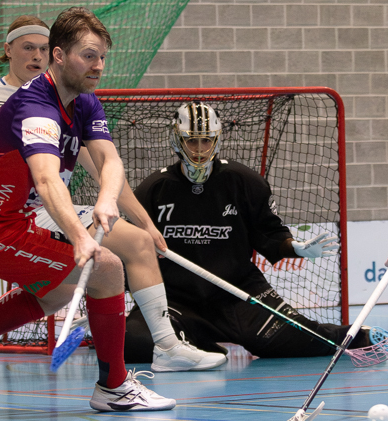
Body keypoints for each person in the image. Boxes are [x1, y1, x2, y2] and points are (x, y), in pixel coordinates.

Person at [0, 17, 223, 380]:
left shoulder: (75, 100)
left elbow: (105, 166)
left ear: (54, 54)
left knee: (128, 248)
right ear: (8, 51)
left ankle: (166, 347)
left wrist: (142, 221)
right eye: (28, 47)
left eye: (42, 48)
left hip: (39, 210)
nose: (37, 55)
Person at [124, 101, 372, 361]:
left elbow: (269, 233)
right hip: (175, 301)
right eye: (191, 141)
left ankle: (359, 336)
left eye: (206, 141)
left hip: (238, 295)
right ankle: (204, 345)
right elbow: (131, 249)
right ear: (178, 140)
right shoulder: (154, 188)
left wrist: (295, 248)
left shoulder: (244, 181)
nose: (199, 149)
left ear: (216, 140)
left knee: (301, 339)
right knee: (134, 343)